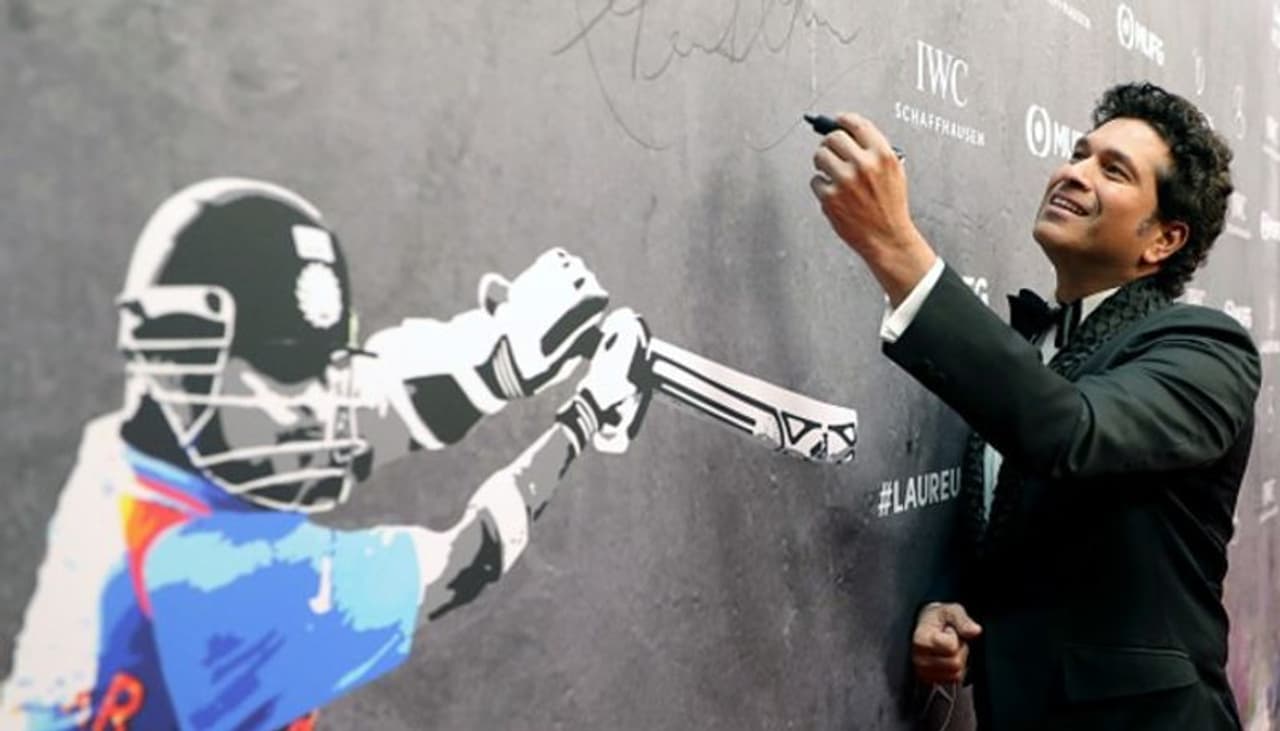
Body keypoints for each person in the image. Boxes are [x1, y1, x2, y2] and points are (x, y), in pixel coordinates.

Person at [0, 178, 652, 730]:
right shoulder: (226, 589)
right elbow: (464, 559)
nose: (313, 406)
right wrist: (585, 416)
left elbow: (360, 403)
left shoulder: (122, 464)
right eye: (287, 370)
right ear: (186, 361)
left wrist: (500, 358)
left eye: (321, 368)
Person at [810, 82, 1260, 729]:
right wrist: (952, 605)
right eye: (1079, 154)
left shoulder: (1207, 350)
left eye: (1113, 170)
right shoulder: (1032, 349)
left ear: (1163, 240)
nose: (1074, 173)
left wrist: (895, 244)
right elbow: (1025, 530)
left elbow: (1071, 432)